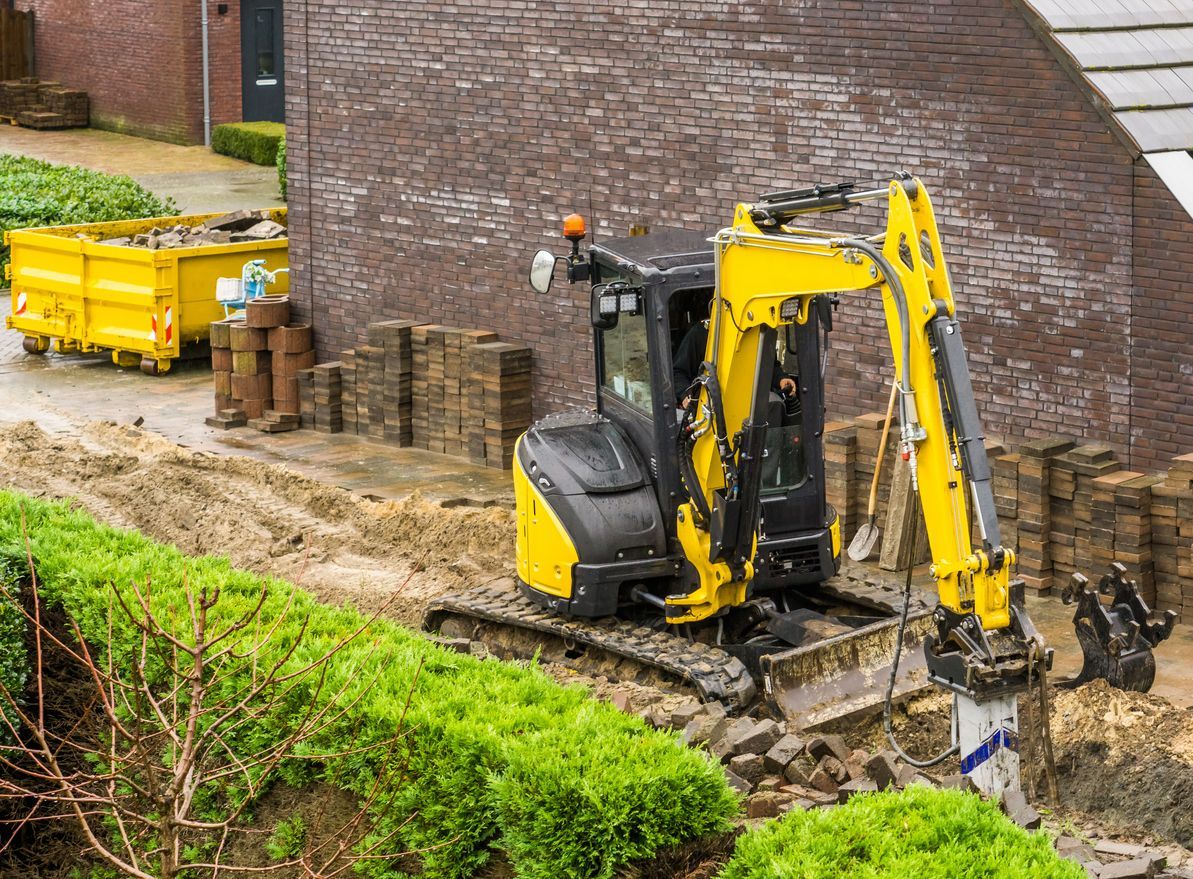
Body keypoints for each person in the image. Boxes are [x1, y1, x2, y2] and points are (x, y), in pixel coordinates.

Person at [673, 319, 796, 407]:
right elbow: (678, 372)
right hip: (712, 410)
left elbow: (770, 365)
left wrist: (781, 379)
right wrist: (686, 394)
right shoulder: (701, 334)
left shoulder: (759, 331)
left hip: (754, 408)